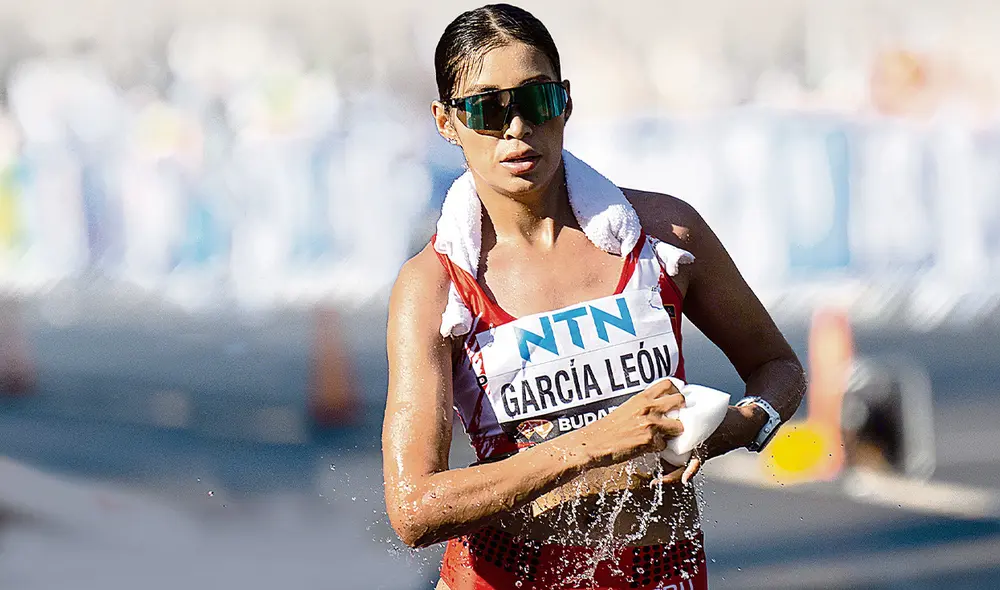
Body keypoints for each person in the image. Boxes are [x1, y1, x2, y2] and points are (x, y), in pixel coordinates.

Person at [382, 5, 806, 589]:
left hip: (662, 570)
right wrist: (592, 447)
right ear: (446, 122)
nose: (516, 128)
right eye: (486, 108)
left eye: (537, 101)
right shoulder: (435, 284)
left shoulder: (665, 235)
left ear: (566, 103)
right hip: (510, 574)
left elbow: (777, 366)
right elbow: (415, 508)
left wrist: (746, 424)